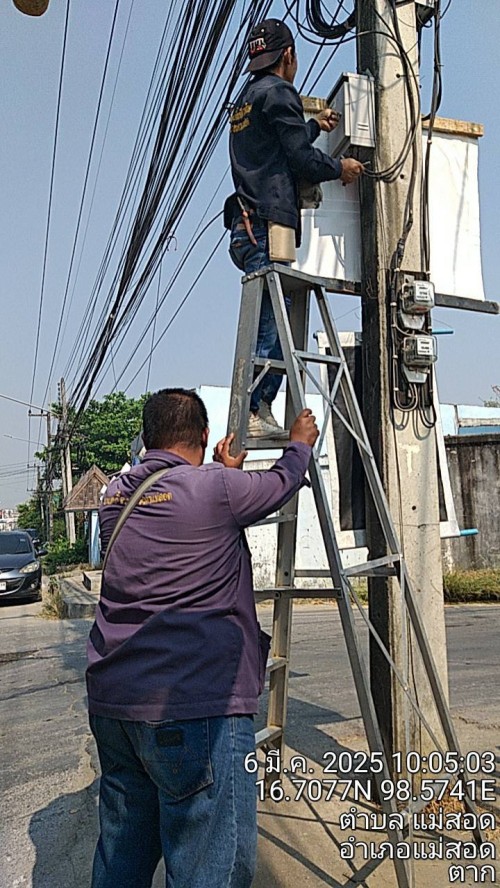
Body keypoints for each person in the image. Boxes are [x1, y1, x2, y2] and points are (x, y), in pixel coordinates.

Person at [86, 387, 319, 888]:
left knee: (123, 852)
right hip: (193, 707)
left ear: (146, 438)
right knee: (212, 869)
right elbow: (281, 483)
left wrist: (224, 475)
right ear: (206, 435)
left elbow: (184, 526)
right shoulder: (215, 489)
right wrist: (299, 443)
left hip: (115, 705)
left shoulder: (114, 498)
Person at [224, 18, 364, 438]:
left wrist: (311, 125)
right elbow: (299, 160)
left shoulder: (246, 101)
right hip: (268, 225)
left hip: (244, 226)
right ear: (288, 56)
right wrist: (340, 166)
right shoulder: (281, 93)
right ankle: (256, 406)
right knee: (271, 326)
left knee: (267, 320)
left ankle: (254, 407)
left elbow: (274, 151)